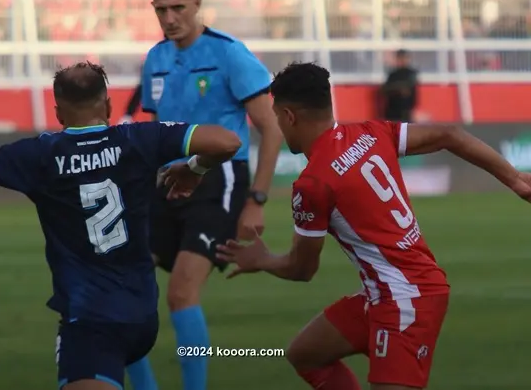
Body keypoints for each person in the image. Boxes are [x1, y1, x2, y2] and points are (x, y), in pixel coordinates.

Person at [216, 62, 531, 390]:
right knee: (306, 354)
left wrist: (262, 260)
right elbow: (449, 135)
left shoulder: (313, 184)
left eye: (277, 116)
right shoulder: (369, 133)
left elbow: (302, 269)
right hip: (386, 292)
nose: (278, 124)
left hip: (406, 300)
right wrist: (516, 180)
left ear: (289, 116)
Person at [0, 61, 241, 390]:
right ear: (108, 105)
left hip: (91, 324)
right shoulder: (139, 138)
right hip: (141, 317)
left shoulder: (39, 155)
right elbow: (226, 142)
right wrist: (194, 168)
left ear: (59, 112)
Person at [127, 0, 283, 389]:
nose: (169, 17)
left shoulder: (230, 54)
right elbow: (158, 129)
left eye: (178, 7)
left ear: (197, 6)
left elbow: (271, 127)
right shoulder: (156, 58)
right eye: (161, 10)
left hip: (221, 177)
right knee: (125, 283)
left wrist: (257, 201)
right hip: (167, 179)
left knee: (181, 293)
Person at [380, 49, 419, 123]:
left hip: (406, 110)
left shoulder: (411, 73)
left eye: (404, 57)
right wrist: (398, 88)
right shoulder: (392, 74)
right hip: (392, 109)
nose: (402, 60)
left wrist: (395, 87)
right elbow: (384, 89)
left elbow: (409, 87)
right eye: (400, 58)